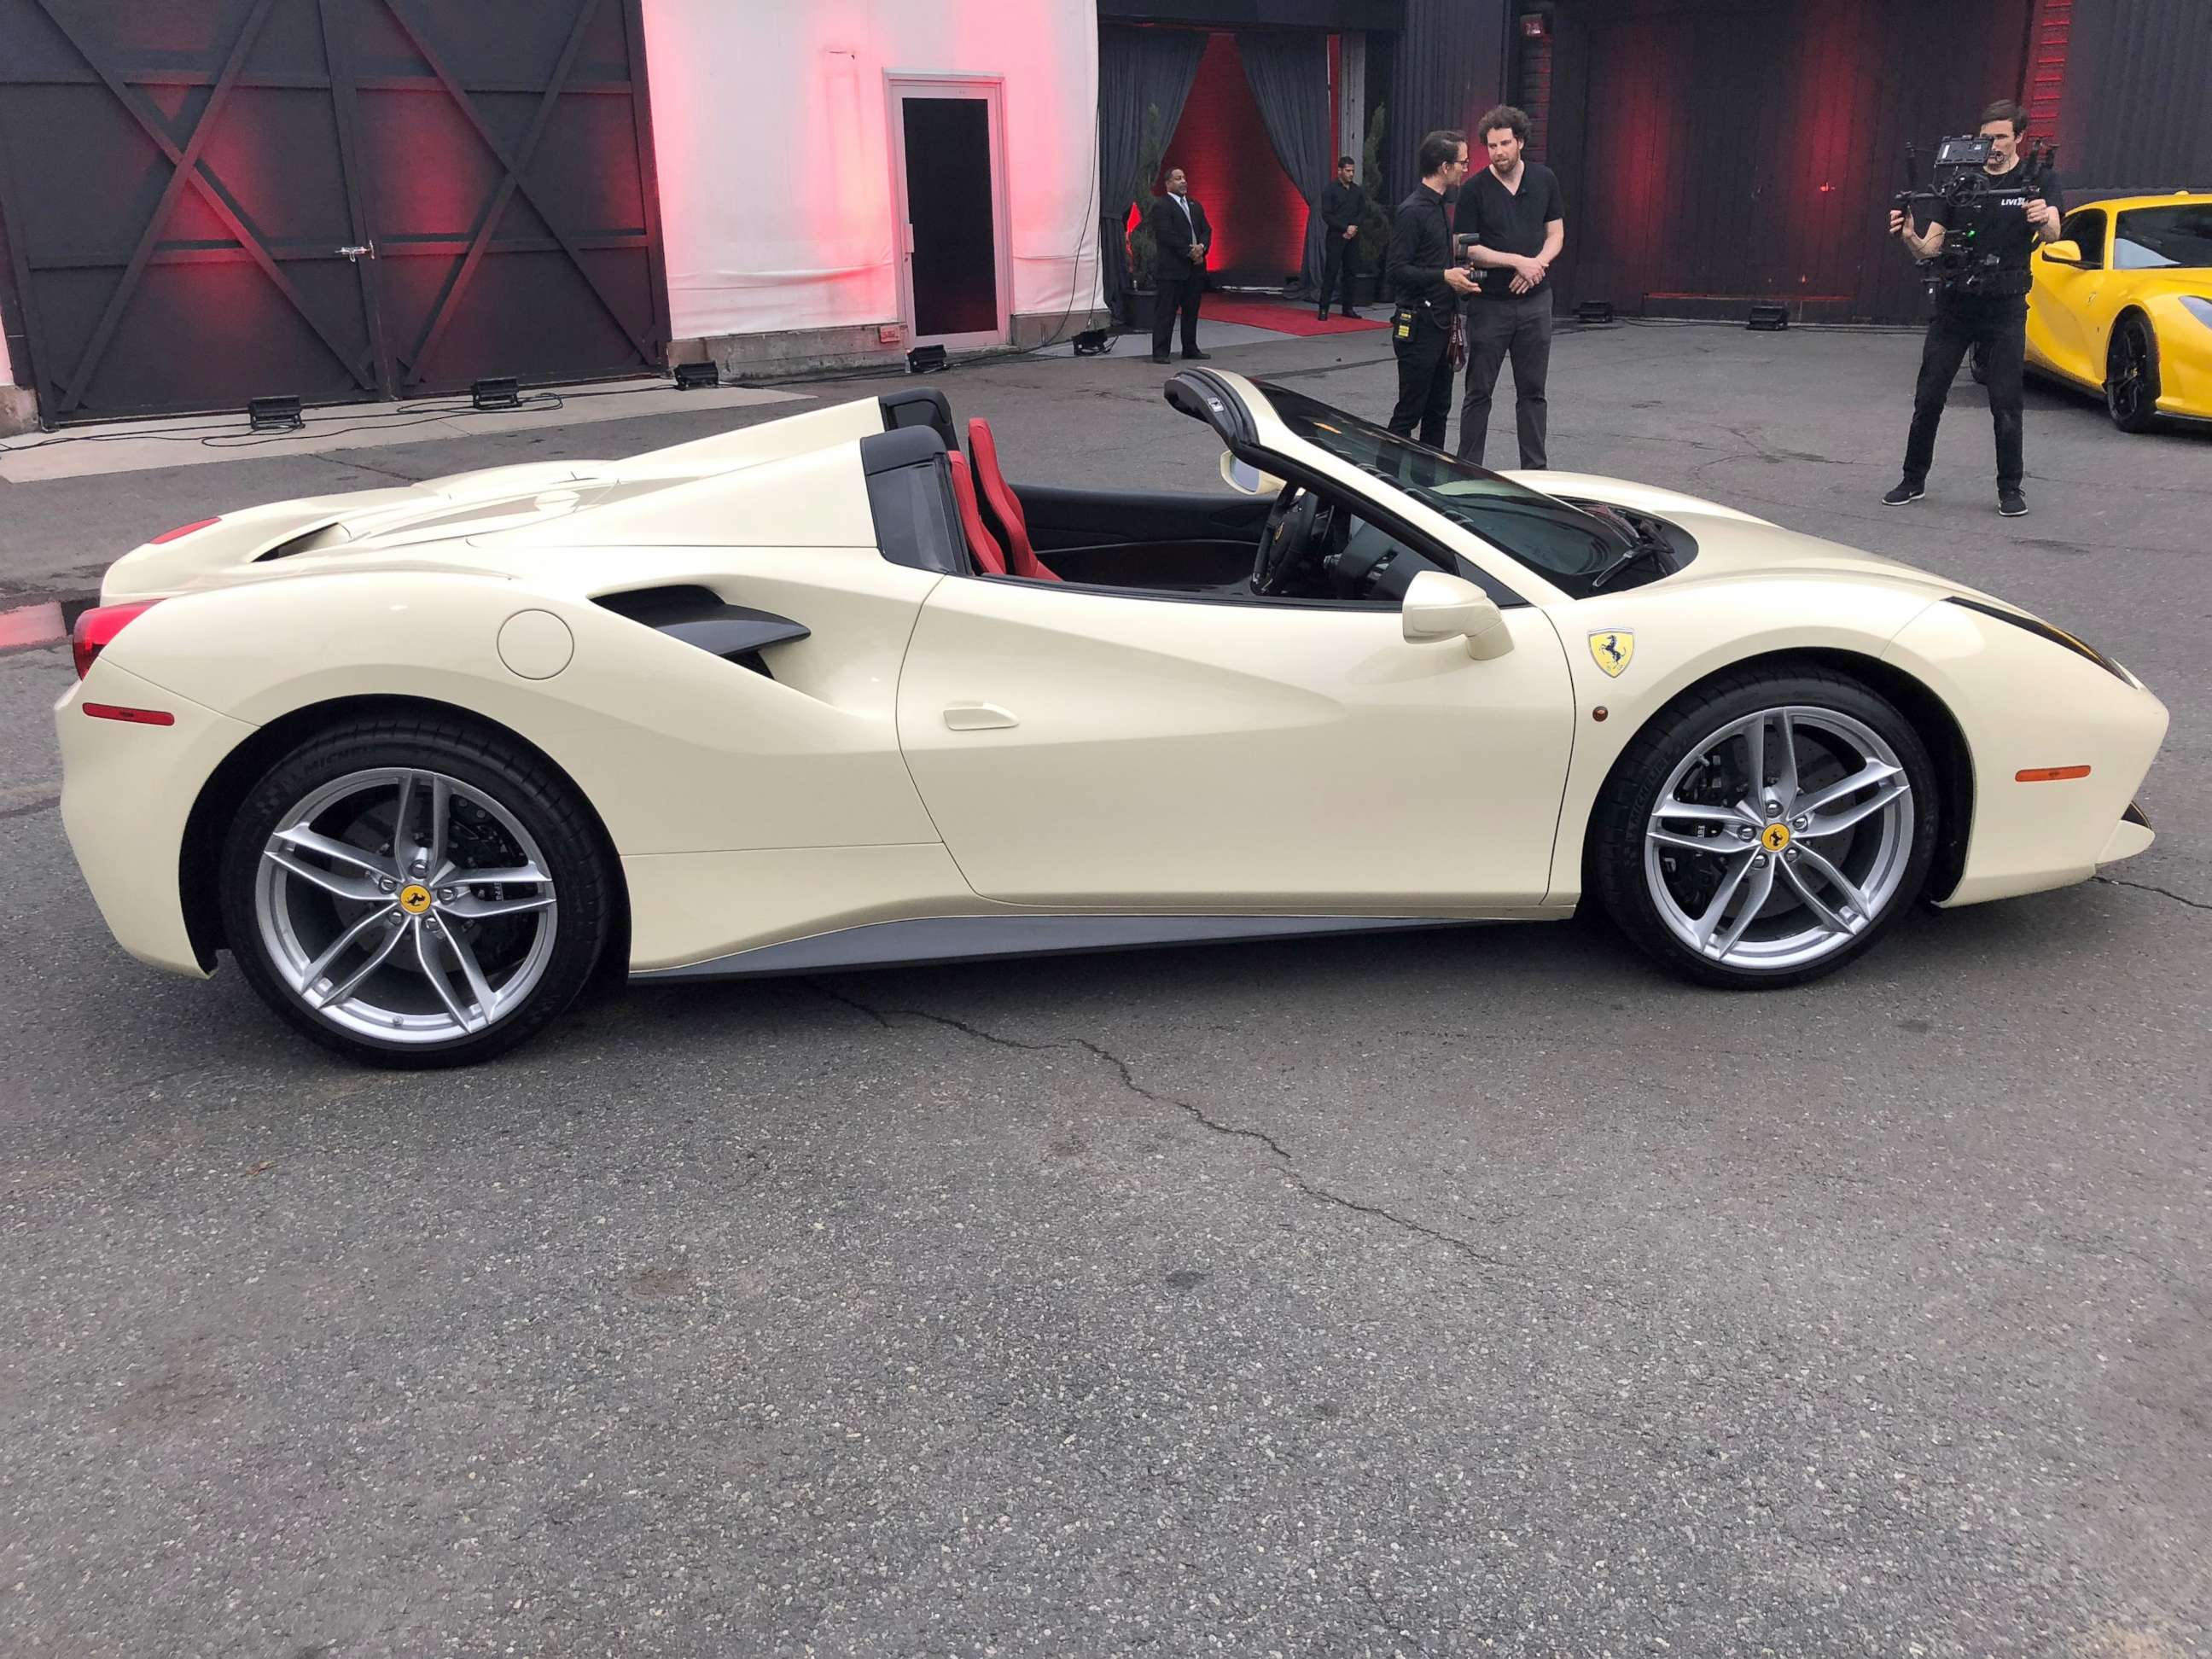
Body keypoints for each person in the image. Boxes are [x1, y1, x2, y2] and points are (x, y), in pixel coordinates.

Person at [1884, 99, 2061, 517]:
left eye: (2001, 136)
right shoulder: (1960, 181)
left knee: (2006, 401)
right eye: (1986, 138)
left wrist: (2042, 217)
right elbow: (1931, 246)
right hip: (1955, 304)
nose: (1993, 145)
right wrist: (1909, 234)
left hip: (2005, 306)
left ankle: (2010, 488)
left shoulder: (2037, 179)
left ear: (2019, 137)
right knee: (1928, 396)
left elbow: (2054, 232)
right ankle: (1913, 480)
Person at [1454, 105, 1564, 469]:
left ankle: (1536, 473)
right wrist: (1517, 261)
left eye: (1504, 143)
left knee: (1533, 393)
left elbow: (1556, 233)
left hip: (1535, 302)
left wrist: (1536, 266)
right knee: (1478, 392)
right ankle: (1468, 471)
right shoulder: (1474, 190)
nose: (1498, 152)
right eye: (1491, 145)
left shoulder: (1545, 179)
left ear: (1520, 141)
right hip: (1490, 306)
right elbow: (1467, 247)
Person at [1386, 130, 1481, 446]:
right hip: (1418, 326)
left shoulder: (1440, 206)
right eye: (1462, 163)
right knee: (1409, 412)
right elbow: (1397, 271)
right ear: (1444, 166)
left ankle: (1430, 485)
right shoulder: (1412, 211)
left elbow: (1432, 263)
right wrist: (1444, 276)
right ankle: (1383, 484)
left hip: (1442, 323)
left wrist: (1458, 276)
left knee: (1439, 410)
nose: (1465, 169)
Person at [1147, 166, 1213, 365]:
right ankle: (1160, 351)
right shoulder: (1162, 206)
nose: (1183, 181)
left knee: (1191, 311)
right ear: (1168, 183)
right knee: (1166, 312)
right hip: (1172, 270)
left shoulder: (1195, 205)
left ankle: (1190, 348)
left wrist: (1202, 247)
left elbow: (1206, 230)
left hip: (1195, 268)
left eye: (1184, 177)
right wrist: (1188, 251)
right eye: (1178, 178)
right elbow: (1166, 235)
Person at [1317, 155, 1366, 321]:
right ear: (1339, 171)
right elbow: (1327, 215)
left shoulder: (1357, 191)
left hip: (1353, 236)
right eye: (1348, 171)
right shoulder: (1330, 190)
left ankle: (1348, 307)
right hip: (1336, 236)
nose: (1351, 174)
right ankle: (1324, 308)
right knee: (1331, 271)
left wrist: (1353, 228)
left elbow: (1361, 212)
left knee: (1351, 272)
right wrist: (1344, 228)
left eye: (1353, 171)